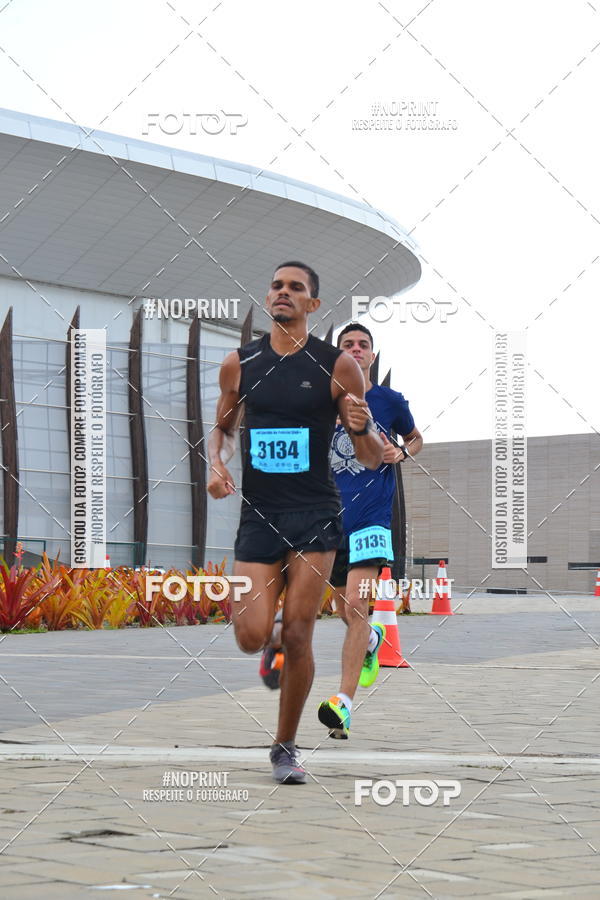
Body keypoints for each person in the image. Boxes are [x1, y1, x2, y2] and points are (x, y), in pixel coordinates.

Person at [207, 265, 384, 784]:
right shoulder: (241, 363)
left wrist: (363, 427)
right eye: (277, 286)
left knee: (302, 632)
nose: (284, 293)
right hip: (259, 515)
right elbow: (221, 431)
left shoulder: (337, 367)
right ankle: (272, 639)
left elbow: (371, 456)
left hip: (315, 514)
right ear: (268, 297)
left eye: (296, 288)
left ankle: (285, 747)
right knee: (250, 634)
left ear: (313, 304)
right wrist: (217, 465)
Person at [318, 323, 423, 739]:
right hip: (329, 523)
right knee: (342, 609)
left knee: (357, 607)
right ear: (338, 355)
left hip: (372, 522)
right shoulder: (321, 404)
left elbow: (416, 439)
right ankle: (373, 642)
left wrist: (402, 452)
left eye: (363, 346)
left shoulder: (389, 401)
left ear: (372, 357)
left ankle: (342, 704)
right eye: (348, 345)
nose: (357, 351)